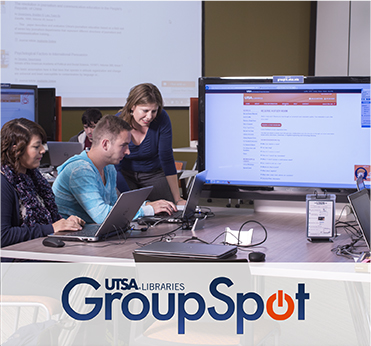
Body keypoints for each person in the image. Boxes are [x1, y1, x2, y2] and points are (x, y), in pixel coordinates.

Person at [52, 114, 176, 224]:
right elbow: (102, 216)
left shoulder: (109, 167)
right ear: (105, 144)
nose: (128, 152)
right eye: (123, 145)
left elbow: (114, 206)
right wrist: (148, 210)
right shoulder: (80, 170)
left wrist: (148, 204)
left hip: (90, 232)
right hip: (69, 240)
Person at [1, 118, 85, 248]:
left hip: (40, 248)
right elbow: (3, 236)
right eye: (36, 146)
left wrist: (64, 223)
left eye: (42, 145)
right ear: (15, 150)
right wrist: (51, 228)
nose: (42, 150)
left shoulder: (33, 178)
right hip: (17, 259)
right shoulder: (3, 183)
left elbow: (46, 221)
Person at [116, 83, 186, 205]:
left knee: (167, 207)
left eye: (154, 111)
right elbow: (114, 167)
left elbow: (167, 158)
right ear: (132, 107)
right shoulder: (118, 122)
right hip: (124, 174)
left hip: (153, 173)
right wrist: (137, 203)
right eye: (145, 110)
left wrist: (177, 199)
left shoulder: (162, 118)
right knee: (128, 209)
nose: (149, 117)